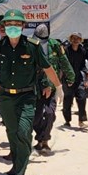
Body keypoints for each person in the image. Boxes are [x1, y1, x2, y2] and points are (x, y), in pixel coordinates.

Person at [0, 9, 60, 175]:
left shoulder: (32, 46)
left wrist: (58, 86)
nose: (12, 27)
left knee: (24, 131)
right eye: (9, 24)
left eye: (16, 24)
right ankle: (17, 164)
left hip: (26, 97)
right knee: (12, 132)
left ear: (23, 26)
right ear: (4, 27)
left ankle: (21, 173)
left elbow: (46, 67)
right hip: (6, 97)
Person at [31, 24, 74, 154]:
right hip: (35, 87)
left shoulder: (55, 45)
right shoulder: (30, 44)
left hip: (52, 84)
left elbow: (63, 61)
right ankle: (40, 137)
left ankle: (44, 140)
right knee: (36, 117)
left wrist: (71, 76)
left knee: (50, 113)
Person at [62, 32, 88, 129]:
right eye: (74, 38)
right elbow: (63, 64)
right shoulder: (66, 50)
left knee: (82, 98)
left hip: (78, 78)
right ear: (71, 39)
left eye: (78, 38)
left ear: (80, 40)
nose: (76, 40)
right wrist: (66, 78)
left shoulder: (82, 50)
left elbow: (82, 65)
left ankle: (81, 121)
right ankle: (67, 121)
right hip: (67, 79)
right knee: (68, 100)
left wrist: (86, 72)